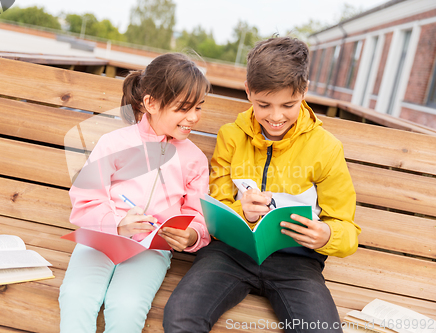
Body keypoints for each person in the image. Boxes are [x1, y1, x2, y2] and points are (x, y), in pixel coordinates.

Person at [163, 37, 361, 333]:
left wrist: (327, 235)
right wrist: (243, 212)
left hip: (296, 263)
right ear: (248, 92)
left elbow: (347, 228)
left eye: (288, 105)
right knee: (180, 317)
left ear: (304, 91)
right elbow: (214, 203)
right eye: (264, 104)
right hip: (230, 253)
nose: (276, 116)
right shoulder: (231, 137)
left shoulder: (326, 149)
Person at [59, 53, 212, 333]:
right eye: (182, 108)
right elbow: (85, 198)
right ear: (151, 103)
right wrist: (116, 223)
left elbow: (198, 218)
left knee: (126, 306)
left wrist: (192, 236)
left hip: (151, 250)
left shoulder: (196, 160)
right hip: (101, 239)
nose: (193, 117)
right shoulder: (114, 143)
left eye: (198, 107)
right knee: (76, 296)